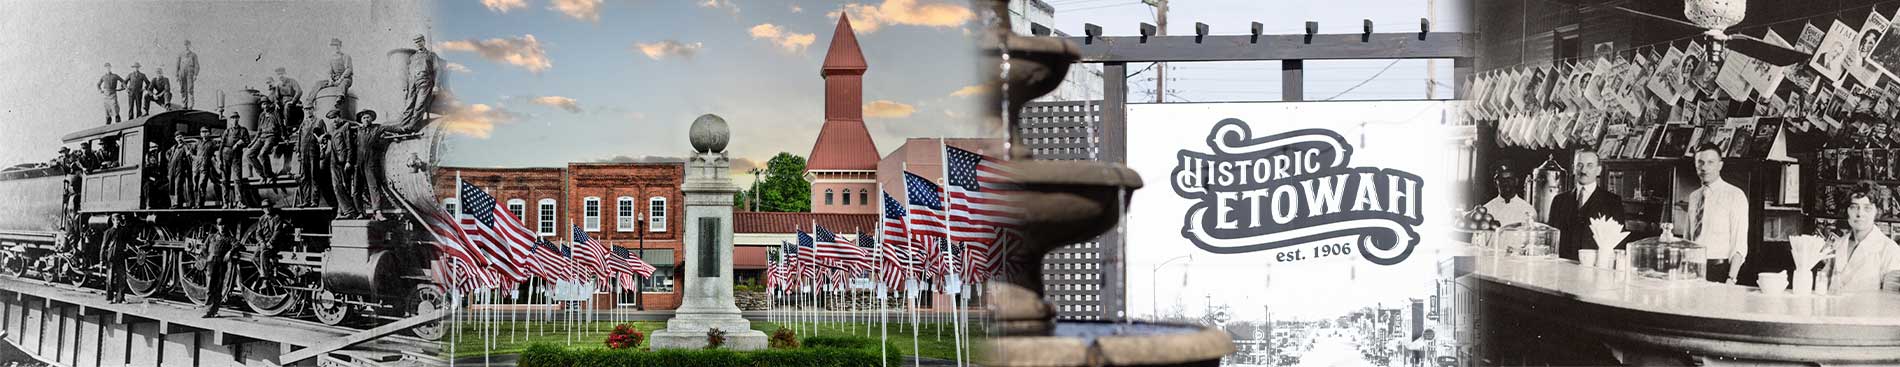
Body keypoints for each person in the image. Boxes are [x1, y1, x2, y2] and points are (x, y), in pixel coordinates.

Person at [1686, 144, 1750, 284]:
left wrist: (1731, 278)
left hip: (1719, 271)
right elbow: (1687, 239)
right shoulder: (1694, 197)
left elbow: (1739, 243)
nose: (1704, 168)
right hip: (1692, 270)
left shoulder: (1735, 195)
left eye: (1710, 162)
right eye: (1700, 162)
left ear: (1720, 165)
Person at [1549, 149, 1625, 261]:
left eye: (1590, 165)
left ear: (1598, 170)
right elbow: (1551, 239)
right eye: (1579, 165)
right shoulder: (1559, 200)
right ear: (1573, 168)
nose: (1583, 170)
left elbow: (1619, 243)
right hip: (1563, 268)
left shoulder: (1612, 202)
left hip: (1595, 269)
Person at [1830, 182, 1900, 292]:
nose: (1860, 214)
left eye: (1867, 208)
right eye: (1854, 207)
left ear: (1877, 211)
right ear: (1847, 211)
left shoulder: (1889, 249)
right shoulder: (1837, 244)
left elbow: (1892, 300)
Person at [352, 110, 389, 218]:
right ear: (361, 120)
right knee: (356, 190)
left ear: (372, 119)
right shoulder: (358, 130)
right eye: (364, 118)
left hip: (370, 162)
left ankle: (377, 212)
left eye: (368, 117)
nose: (366, 119)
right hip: (358, 163)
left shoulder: (377, 129)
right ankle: (360, 212)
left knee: (373, 187)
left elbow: (391, 128)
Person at [295, 109, 334, 207]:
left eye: (310, 109)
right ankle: (306, 200)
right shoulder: (303, 123)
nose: (308, 111)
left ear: (313, 110)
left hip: (314, 151)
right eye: (306, 109)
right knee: (304, 177)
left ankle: (314, 201)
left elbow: (324, 137)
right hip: (304, 151)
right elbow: (299, 137)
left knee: (314, 176)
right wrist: (298, 151)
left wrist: (322, 150)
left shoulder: (319, 121)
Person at [326, 109, 360, 218]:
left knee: (345, 186)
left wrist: (349, 161)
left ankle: (349, 211)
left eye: (335, 117)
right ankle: (345, 210)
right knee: (336, 186)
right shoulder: (332, 130)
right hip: (334, 161)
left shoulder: (345, 127)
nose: (334, 121)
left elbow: (349, 145)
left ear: (339, 117)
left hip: (343, 161)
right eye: (331, 119)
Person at [201, 219, 237, 318]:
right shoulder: (211, 237)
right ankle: (208, 311)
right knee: (209, 287)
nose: (222, 227)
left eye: (223, 225)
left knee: (218, 287)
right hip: (211, 263)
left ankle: (215, 310)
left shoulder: (229, 238)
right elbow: (204, 248)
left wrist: (230, 252)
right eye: (220, 225)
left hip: (221, 263)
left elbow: (239, 245)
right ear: (217, 226)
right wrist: (207, 259)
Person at [401, 34, 437, 128]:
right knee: (408, 105)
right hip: (412, 83)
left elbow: (438, 70)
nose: (418, 43)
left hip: (425, 81)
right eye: (416, 42)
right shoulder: (412, 58)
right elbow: (408, 74)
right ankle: (403, 125)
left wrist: (436, 85)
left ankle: (412, 126)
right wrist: (405, 88)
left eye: (420, 41)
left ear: (424, 42)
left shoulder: (431, 55)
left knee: (419, 105)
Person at [101, 214, 138, 304]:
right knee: (110, 278)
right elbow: (104, 246)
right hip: (111, 257)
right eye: (116, 220)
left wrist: (140, 242)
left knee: (122, 278)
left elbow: (130, 241)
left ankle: (120, 298)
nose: (117, 222)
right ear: (113, 221)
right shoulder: (108, 232)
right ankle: (110, 298)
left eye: (119, 220)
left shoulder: (123, 232)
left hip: (120, 256)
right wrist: (102, 259)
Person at [220, 112, 250, 208]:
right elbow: (221, 146)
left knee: (237, 179)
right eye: (232, 118)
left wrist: (239, 144)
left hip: (236, 155)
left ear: (238, 118)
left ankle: (239, 201)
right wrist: (219, 160)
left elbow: (247, 142)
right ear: (230, 120)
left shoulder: (243, 130)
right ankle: (225, 202)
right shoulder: (227, 131)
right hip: (225, 154)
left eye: (236, 117)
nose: (234, 120)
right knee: (225, 180)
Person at [248, 103, 282, 180]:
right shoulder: (262, 115)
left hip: (272, 136)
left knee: (262, 154)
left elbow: (281, 125)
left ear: (270, 105)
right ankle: (262, 174)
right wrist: (253, 142)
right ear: (261, 106)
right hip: (262, 137)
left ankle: (269, 175)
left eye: (266, 104)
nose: (265, 106)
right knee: (249, 154)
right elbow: (259, 130)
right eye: (263, 104)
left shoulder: (275, 114)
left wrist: (284, 137)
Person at [168, 130, 196, 208]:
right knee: (171, 186)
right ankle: (173, 203)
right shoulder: (174, 147)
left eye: (180, 137)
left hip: (180, 168)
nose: (179, 138)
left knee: (178, 185)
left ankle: (178, 203)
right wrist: (169, 159)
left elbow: (189, 155)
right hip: (172, 168)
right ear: (175, 138)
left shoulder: (185, 146)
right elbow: (167, 153)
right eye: (177, 137)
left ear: (183, 138)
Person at [193, 126, 221, 208]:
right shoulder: (197, 143)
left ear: (209, 133)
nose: (204, 134)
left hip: (205, 166)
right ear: (200, 133)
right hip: (196, 166)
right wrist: (194, 158)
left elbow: (220, 147)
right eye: (203, 132)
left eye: (206, 132)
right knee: (195, 185)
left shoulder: (212, 143)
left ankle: (200, 204)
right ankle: (195, 203)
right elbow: (190, 151)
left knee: (201, 184)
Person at [177, 40, 199, 109]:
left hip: (190, 73)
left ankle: (191, 105)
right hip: (182, 73)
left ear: (189, 46)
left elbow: (197, 65)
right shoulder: (180, 55)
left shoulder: (193, 55)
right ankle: (184, 104)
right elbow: (177, 65)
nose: (186, 46)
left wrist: (195, 74)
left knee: (190, 89)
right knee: (182, 89)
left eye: (187, 45)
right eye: (185, 45)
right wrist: (177, 75)